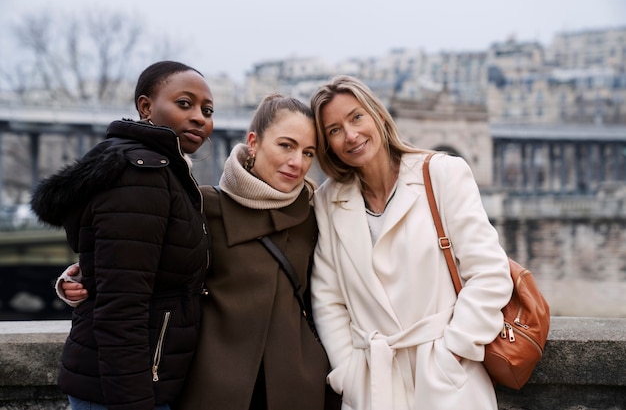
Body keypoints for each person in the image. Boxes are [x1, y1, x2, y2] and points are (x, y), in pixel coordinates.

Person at [59, 94, 340, 410]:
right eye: (286, 145)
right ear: (254, 143)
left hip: (298, 387)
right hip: (211, 386)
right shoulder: (201, 206)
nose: (297, 162)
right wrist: (81, 279)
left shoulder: (316, 215)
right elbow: (137, 265)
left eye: (308, 153)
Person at [308, 75, 514, 410]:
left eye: (356, 117)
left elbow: (490, 273)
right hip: (373, 388)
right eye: (334, 130)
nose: (351, 135)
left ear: (378, 114)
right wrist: (349, 373)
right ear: (327, 144)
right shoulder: (327, 202)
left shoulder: (443, 174)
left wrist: (452, 352)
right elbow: (327, 299)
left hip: (448, 382)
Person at [31, 60, 213, 410]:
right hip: (126, 390)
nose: (200, 118)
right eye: (184, 103)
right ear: (146, 106)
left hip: (138, 380)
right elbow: (122, 307)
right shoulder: (141, 174)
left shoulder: (159, 172)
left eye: (207, 110)